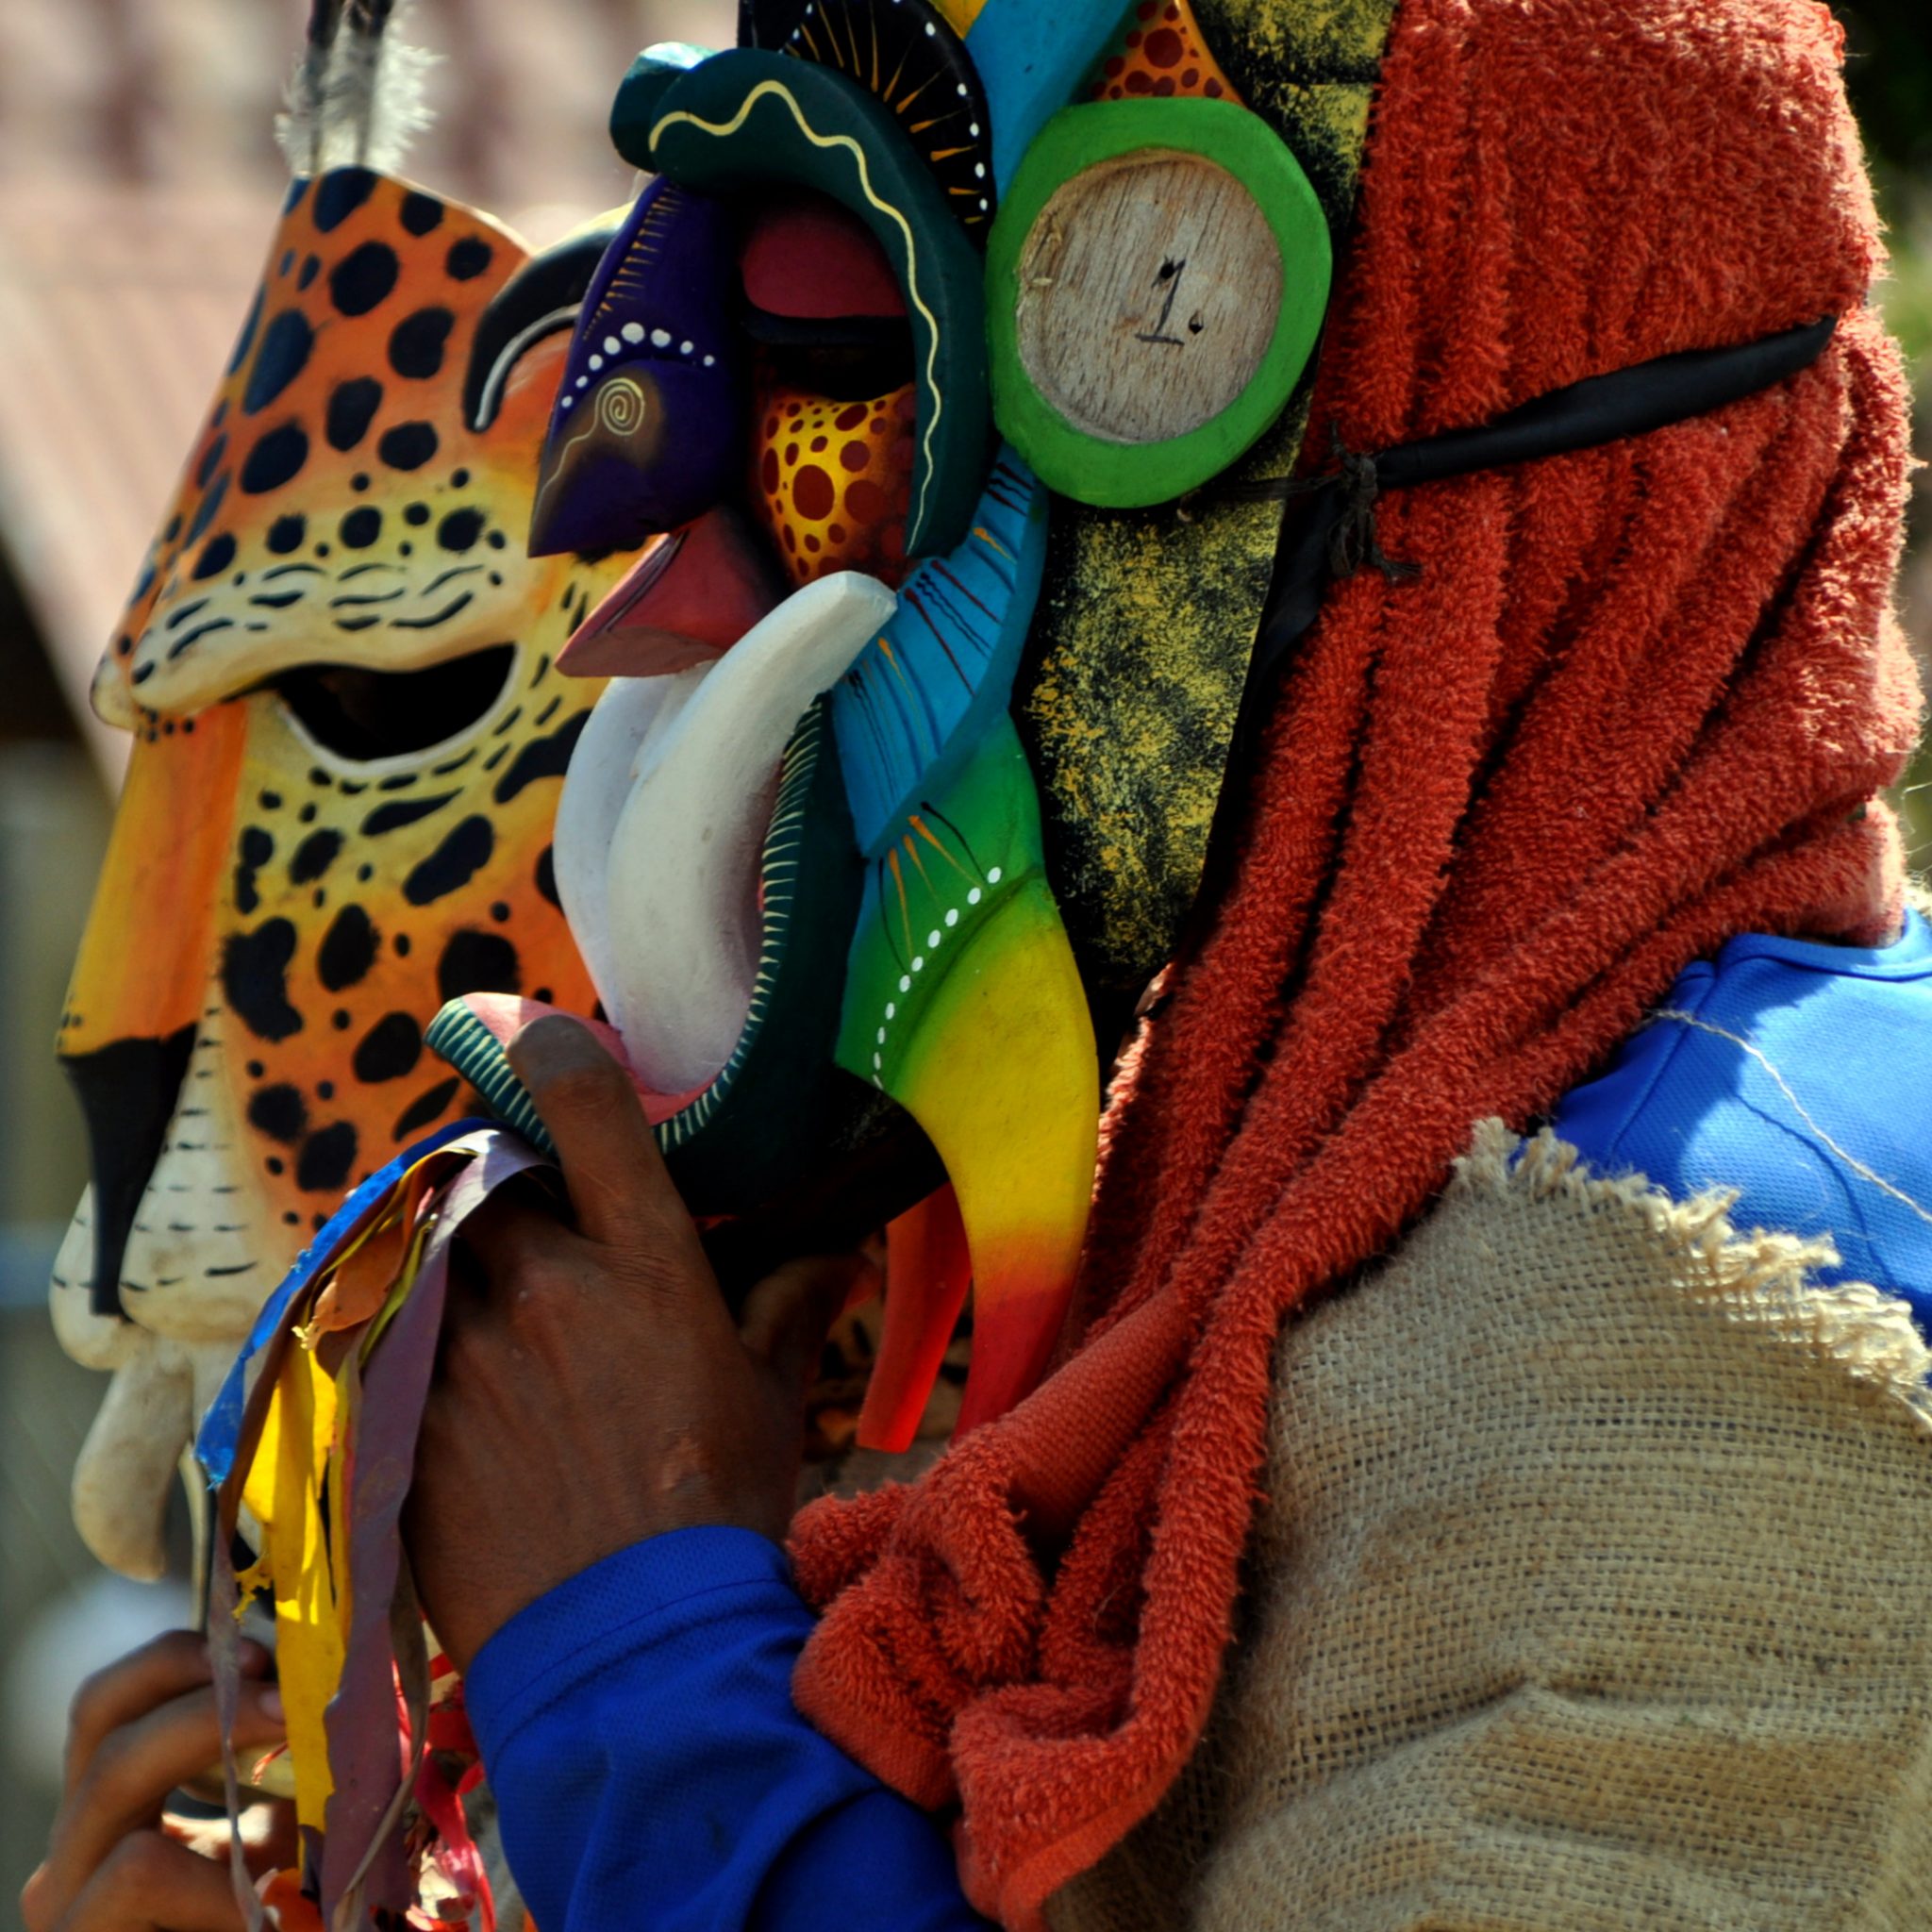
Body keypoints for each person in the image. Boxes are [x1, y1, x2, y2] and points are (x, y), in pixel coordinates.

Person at [26, 0, 1932, 1925]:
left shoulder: (1688, 1328)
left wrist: (632, 1643)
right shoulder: (1245, 1252)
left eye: (848, 352)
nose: (687, 539)